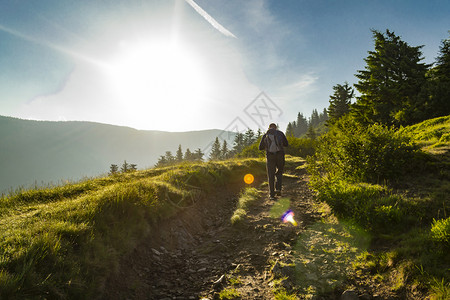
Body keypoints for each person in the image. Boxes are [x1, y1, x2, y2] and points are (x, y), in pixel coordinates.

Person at [259, 123, 288, 200]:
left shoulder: (266, 135)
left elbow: (260, 147)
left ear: (269, 128)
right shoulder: (280, 133)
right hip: (280, 155)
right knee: (279, 172)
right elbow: (286, 144)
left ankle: (272, 194)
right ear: (276, 128)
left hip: (270, 156)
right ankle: (278, 189)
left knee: (271, 175)